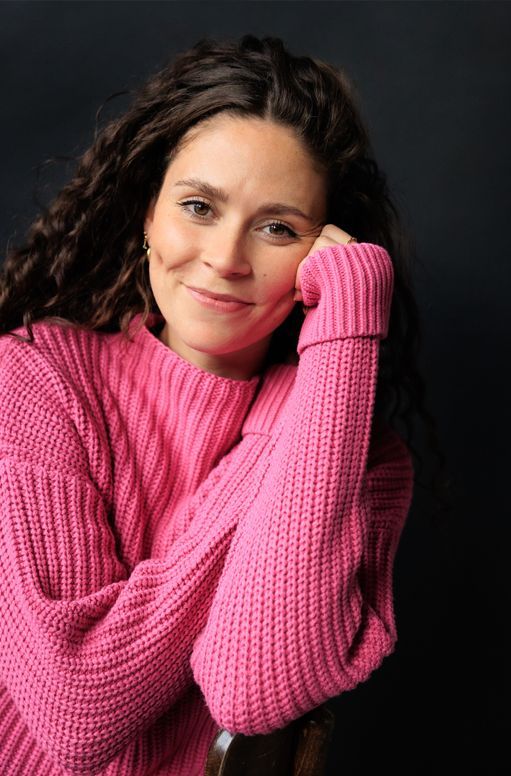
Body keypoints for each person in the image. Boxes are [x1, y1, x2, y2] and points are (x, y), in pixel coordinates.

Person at [0, 34, 419, 775]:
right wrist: (278, 448)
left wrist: (338, 350)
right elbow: (75, 710)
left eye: (277, 228)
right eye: (198, 206)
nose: (226, 260)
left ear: (323, 259)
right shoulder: (36, 381)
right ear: (147, 215)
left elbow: (248, 692)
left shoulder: (363, 458)